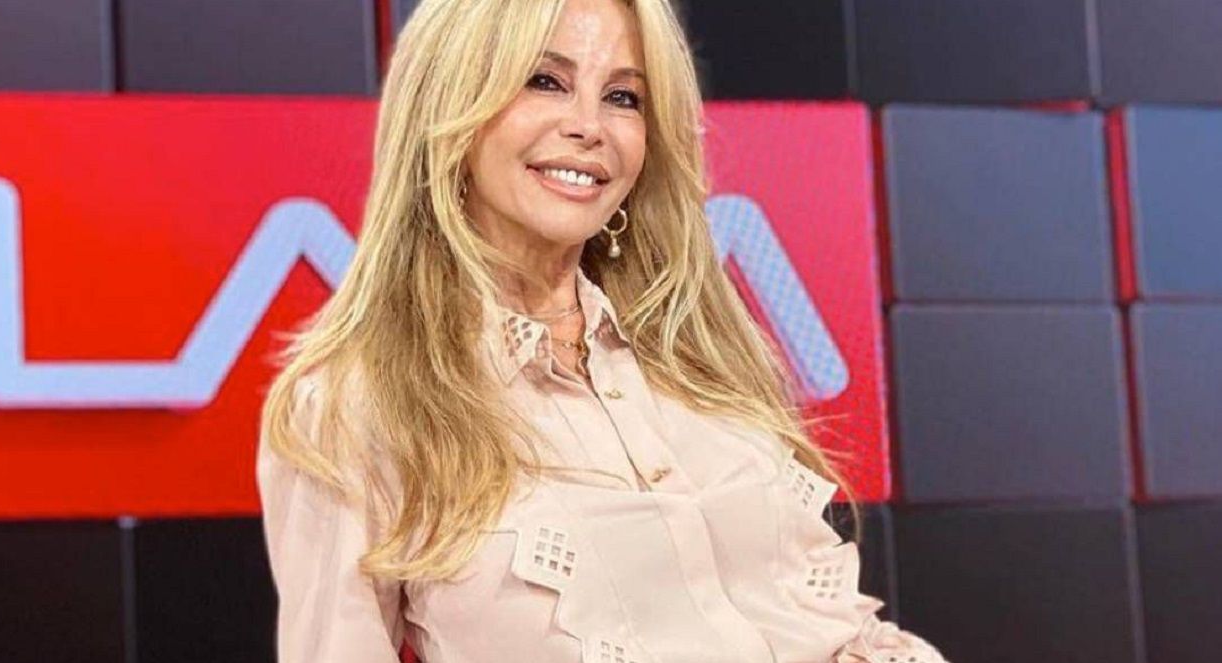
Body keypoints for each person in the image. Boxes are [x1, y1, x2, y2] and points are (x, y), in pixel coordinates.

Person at [255, 0, 950, 661]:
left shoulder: (698, 348)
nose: (590, 126)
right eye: (545, 81)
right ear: (450, 104)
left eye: (623, 97)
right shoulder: (353, 406)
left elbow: (833, 626)